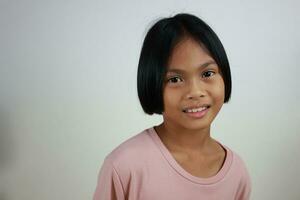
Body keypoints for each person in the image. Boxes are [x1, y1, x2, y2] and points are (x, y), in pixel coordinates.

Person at [93, 13, 251, 200]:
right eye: (175, 79)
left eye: (207, 73)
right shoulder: (124, 168)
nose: (195, 91)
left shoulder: (237, 173)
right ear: (152, 84)